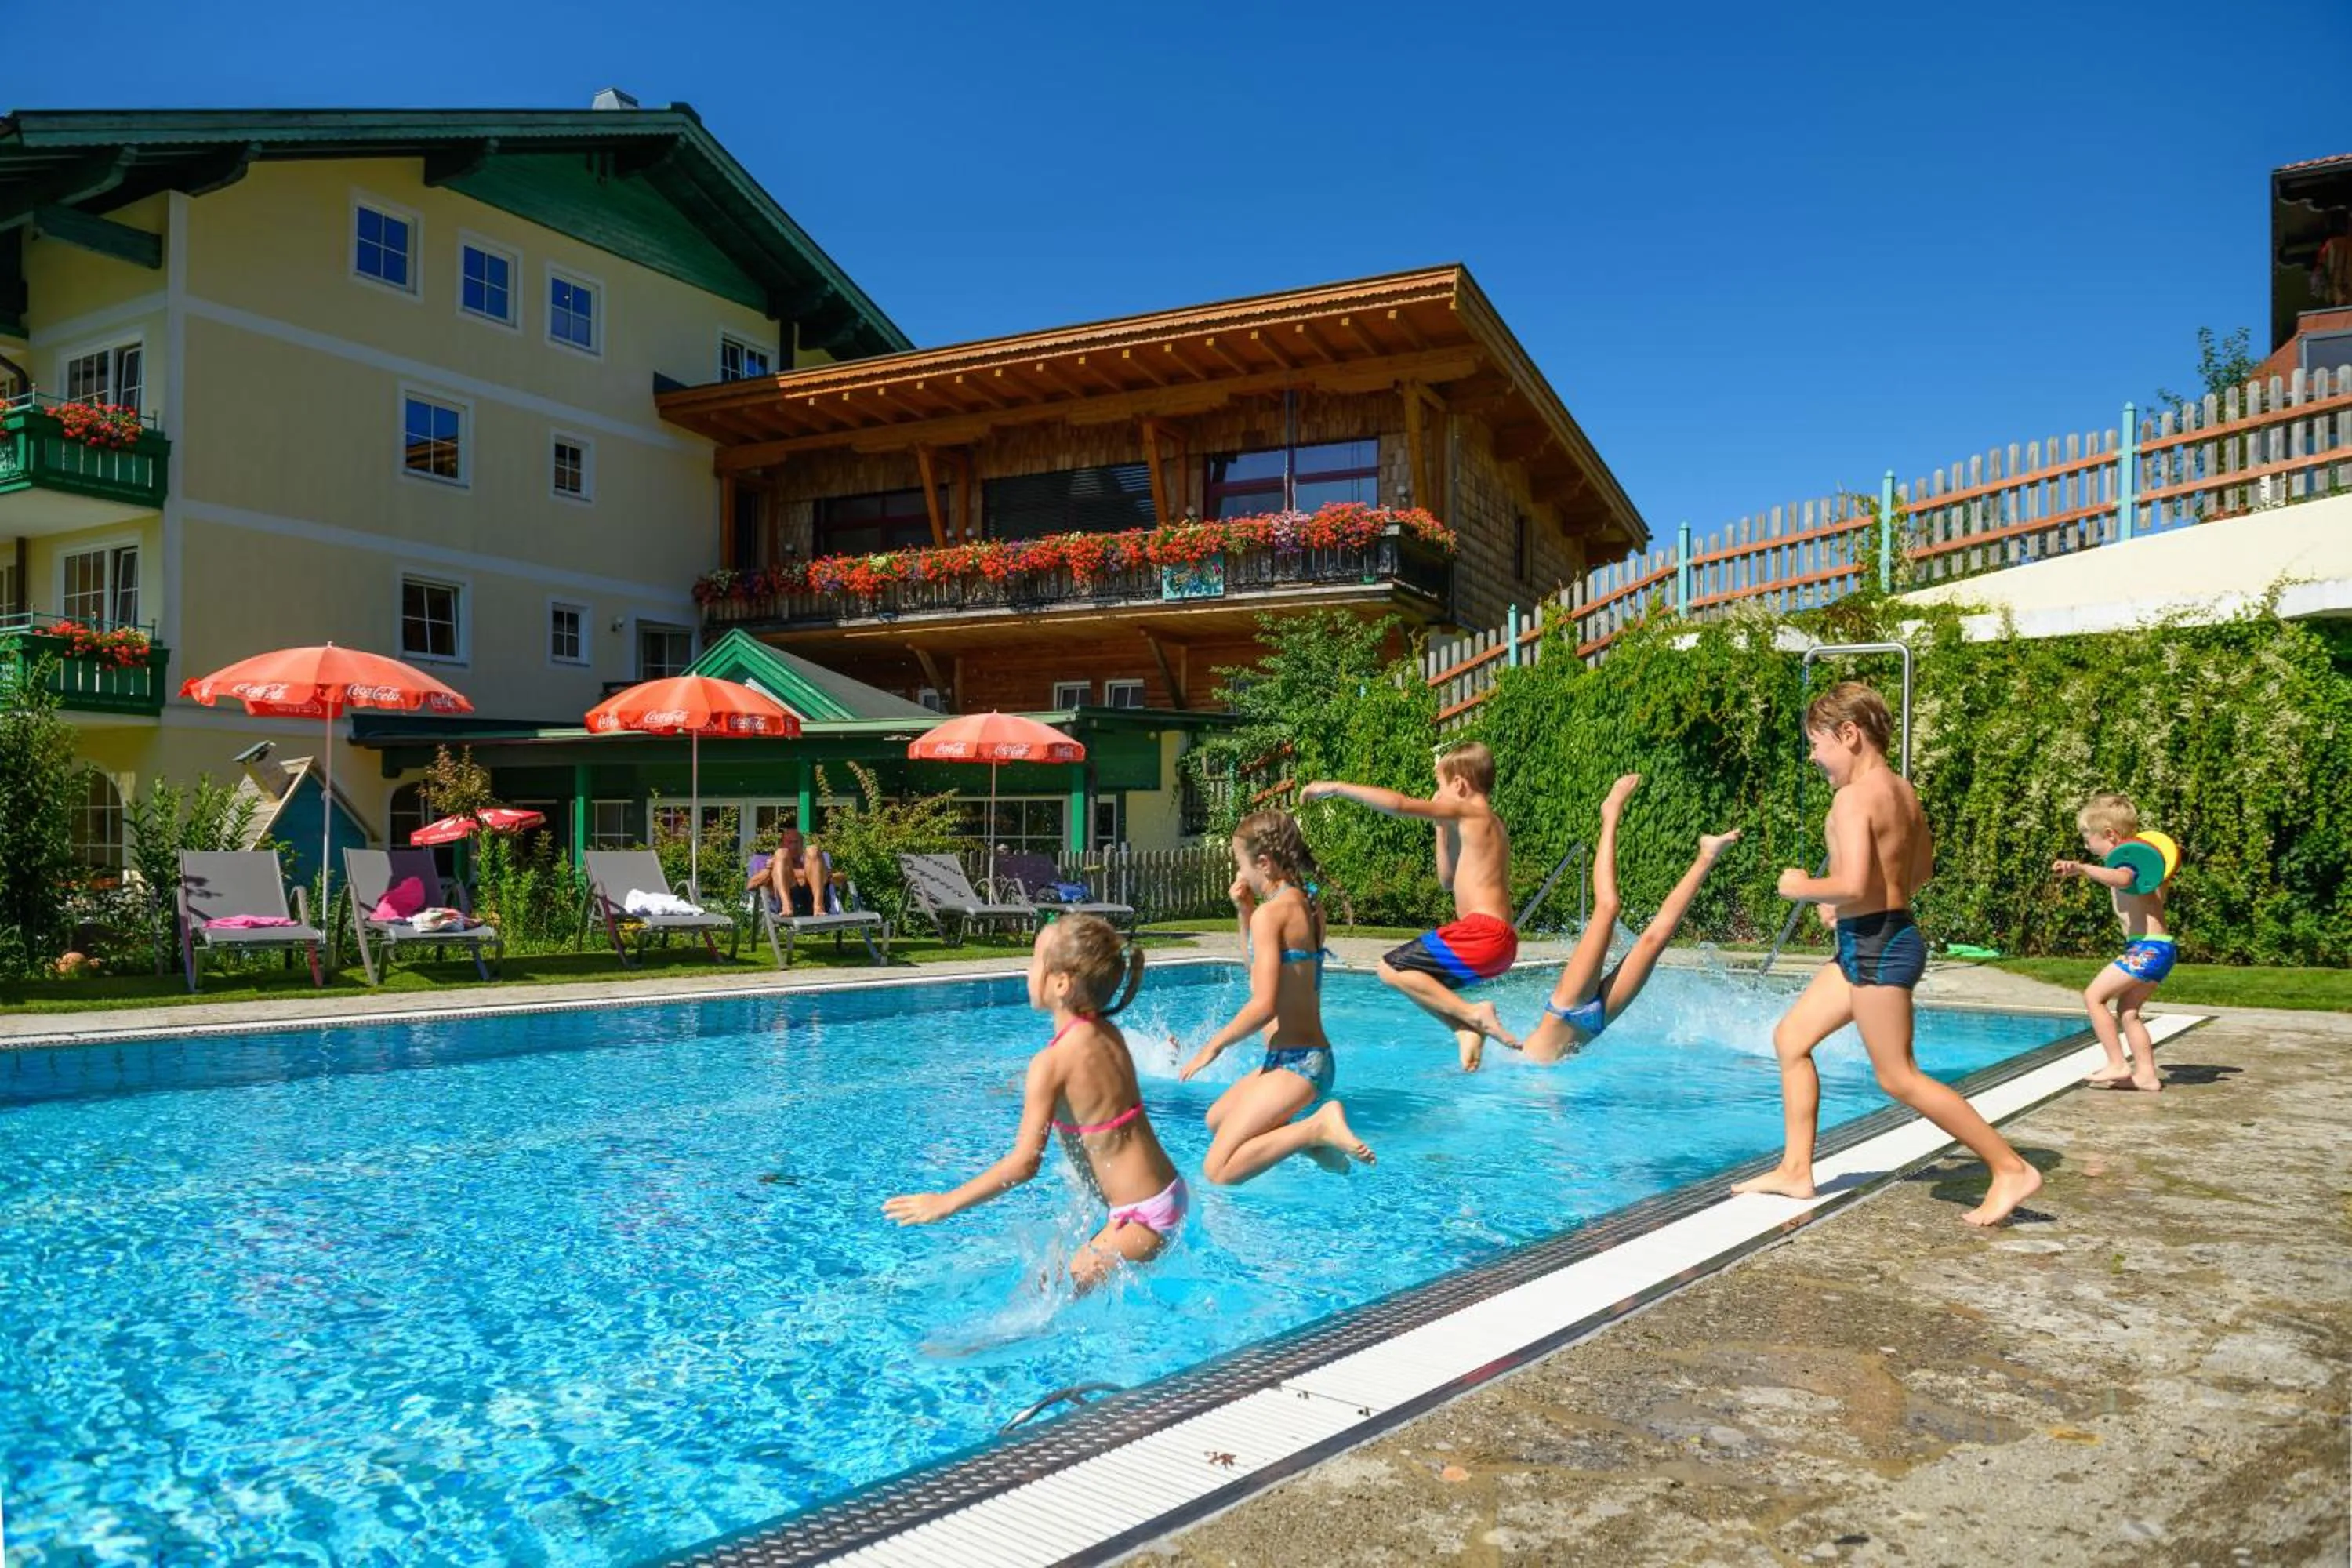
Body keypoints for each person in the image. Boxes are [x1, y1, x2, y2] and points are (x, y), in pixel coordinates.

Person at [1733, 682, 2042, 1228]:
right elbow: (1915, 874)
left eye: (1817, 743)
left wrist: (1804, 886)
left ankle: (2009, 1167)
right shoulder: (1903, 791)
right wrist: (1848, 905)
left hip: (1877, 946)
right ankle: (1796, 1169)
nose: (1813, 756)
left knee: (1897, 1076)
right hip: (1875, 936)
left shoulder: (1853, 797)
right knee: (1792, 1039)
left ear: (1848, 735)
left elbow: (1851, 881)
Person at [884, 916, 1186, 1293]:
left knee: (1051, 1292)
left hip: (1142, 1217)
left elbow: (1025, 1164)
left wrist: (946, 1203)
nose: (1027, 971)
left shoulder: (1050, 1064)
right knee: (1054, 1282)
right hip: (1164, 1193)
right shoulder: (1109, 1035)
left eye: (1033, 962)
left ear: (1061, 982)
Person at [1178, 810, 1375, 1181]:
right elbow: (1264, 979)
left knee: (1218, 1170)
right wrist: (1245, 914)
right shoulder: (1310, 904)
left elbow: (1262, 1004)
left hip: (1298, 1065)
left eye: (1240, 863)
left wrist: (1214, 1045)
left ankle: (1314, 1129)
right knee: (1216, 1119)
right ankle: (1310, 1141)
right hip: (1303, 1057)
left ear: (1264, 863)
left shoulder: (1271, 916)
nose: (1239, 874)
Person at [1301, 742, 1519, 1071]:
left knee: (1390, 969)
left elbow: (1400, 805)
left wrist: (1334, 787)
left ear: (1459, 785)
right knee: (1415, 979)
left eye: (1441, 787)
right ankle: (1464, 1027)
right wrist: (1440, 828)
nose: (1437, 795)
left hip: (1481, 934)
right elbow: (1447, 880)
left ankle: (1475, 1014)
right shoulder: (1485, 823)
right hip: (1498, 945)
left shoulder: (1472, 812)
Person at [1514, 774, 1741, 1064]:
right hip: (1594, 1025)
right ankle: (1707, 855)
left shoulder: (1516, 1068)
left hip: (1566, 1008)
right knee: (1655, 941)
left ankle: (1610, 813)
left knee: (1608, 907)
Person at [2053, 793, 2172, 1093]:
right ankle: (2146, 1076)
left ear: (2109, 835)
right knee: (2128, 1011)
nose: (2086, 846)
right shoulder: (2150, 869)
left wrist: (2081, 868)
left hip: (2148, 949)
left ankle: (2117, 1063)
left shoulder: (2131, 867)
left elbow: (2121, 879)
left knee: (2094, 997)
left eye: (2087, 838)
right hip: (2157, 949)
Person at [746, 824, 827, 918]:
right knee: (781, 854)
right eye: (789, 842)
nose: (793, 846)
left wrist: (827, 875)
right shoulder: (772, 864)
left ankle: (818, 906)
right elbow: (750, 885)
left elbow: (842, 878)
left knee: (813, 849)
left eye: (796, 842)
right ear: (782, 844)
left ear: (802, 845)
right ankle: (787, 906)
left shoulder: (813, 863)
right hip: (786, 902)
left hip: (813, 900)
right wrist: (770, 870)